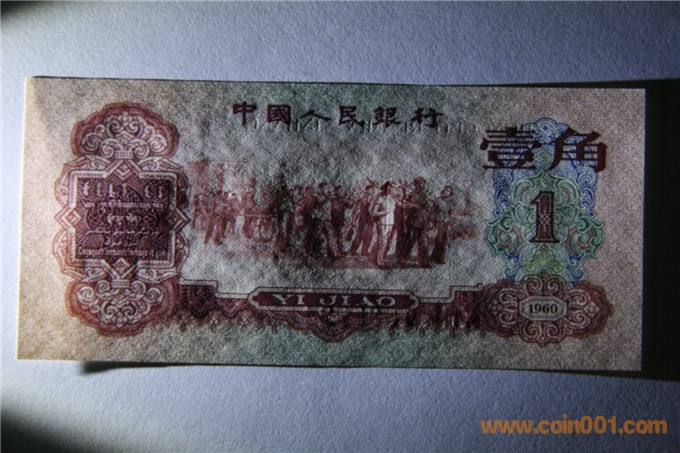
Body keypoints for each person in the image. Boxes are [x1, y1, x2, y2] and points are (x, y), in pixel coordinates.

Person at [431, 185, 457, 264]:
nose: (446, 192)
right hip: (439, 221)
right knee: (440, 239)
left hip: (446, 222)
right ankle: (439, 258)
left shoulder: (450, 202)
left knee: (444, 240)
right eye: (446, 190)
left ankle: (435, 256)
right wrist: (433, 221)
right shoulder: (438, 200)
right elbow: (433, 211)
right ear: (443, 191)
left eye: (448, 191)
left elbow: (450, 211)